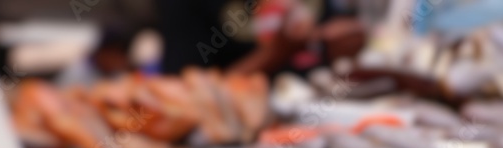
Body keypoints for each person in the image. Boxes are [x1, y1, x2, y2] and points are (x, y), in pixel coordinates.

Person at [155, 0, 367, 75]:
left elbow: (329, 33)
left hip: (332, 115)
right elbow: (182, 99)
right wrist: (274, 54)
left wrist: (343, 41)